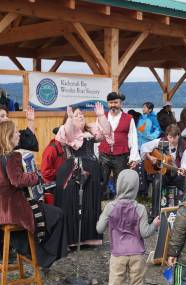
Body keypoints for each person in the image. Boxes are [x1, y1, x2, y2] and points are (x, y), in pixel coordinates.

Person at [0, 120, 68, 269]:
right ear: (9, 136)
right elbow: (16, 180)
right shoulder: (12, 156)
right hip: (14, 209)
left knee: (46, 212)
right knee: (58, 214)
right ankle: (45, 256)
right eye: (16, 131)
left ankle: (36, 253)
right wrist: (36, 177)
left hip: (2, 210)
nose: (19, 134)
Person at [55, 102, 113, 245]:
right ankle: (73, 238)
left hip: (91, 170)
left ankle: (90, 238)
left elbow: (106, 133)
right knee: (72, 202)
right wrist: (70, 118)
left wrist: (101, 116)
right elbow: (69, 133)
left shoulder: (91, 131)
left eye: (81, 114)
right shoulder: (65, 131)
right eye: (77, 115)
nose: (80, 116)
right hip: (72, 171)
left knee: (90, 202)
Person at [96, 169, 160, 285]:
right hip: (137, 253)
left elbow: (99, 229)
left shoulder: (110, 207)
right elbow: (145, 233)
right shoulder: (140, 208)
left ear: (119, 185)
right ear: (136, 187)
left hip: (118, 253)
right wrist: (154, 224)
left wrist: (107, 219)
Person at [141, 124, 186, 218]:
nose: (171, 140)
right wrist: (150, 157)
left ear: (178, 136)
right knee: (157, 182)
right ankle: (155, 215)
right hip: (164, 174)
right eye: (169, 137)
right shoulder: (161, 141)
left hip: (177, 175)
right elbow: (144, 147)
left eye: (174, 137)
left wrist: (182, 171)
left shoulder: (185, 146)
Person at [98, 92, 140, 196]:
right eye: (111, 102)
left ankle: (119, 207)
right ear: (108, 104)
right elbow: (97, 136)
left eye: (116, 102)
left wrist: (133, 158)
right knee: (101, 182)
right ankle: (98, 206)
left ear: (121, 104)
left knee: (120, 184)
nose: (113, 105)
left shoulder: (129, 118)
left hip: (121, 156)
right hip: (103, 155)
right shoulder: (101, 117)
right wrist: (95, 153)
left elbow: (133, 138)